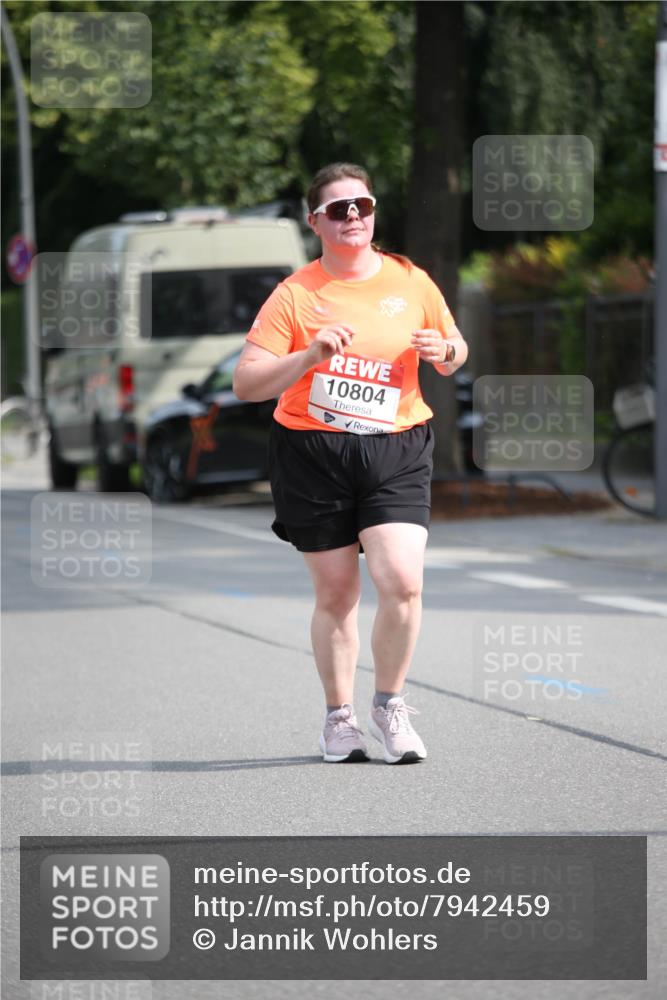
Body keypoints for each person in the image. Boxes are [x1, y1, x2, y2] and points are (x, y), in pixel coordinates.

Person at [233, 162, 468, 764]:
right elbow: (247, 383)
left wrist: (445, 351)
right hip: (313, 451)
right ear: (316, 222)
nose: (354, 217)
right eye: (338, 210)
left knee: (403, 581)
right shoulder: (296, 294)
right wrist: (309, 355)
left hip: (396, 445)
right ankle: (338, 719)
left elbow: (453, 349)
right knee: (338, 594)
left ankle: (389, 707)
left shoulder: (410, 280)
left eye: (362, 205)